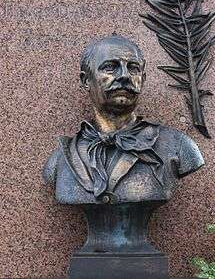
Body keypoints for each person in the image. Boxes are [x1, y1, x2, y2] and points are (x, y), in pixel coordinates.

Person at [42, 35, 204, 205]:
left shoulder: (177, 146)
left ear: (143, 80)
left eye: (133, 68)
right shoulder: (61, 160)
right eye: (110, 67)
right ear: (86, 80)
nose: (125, 76)